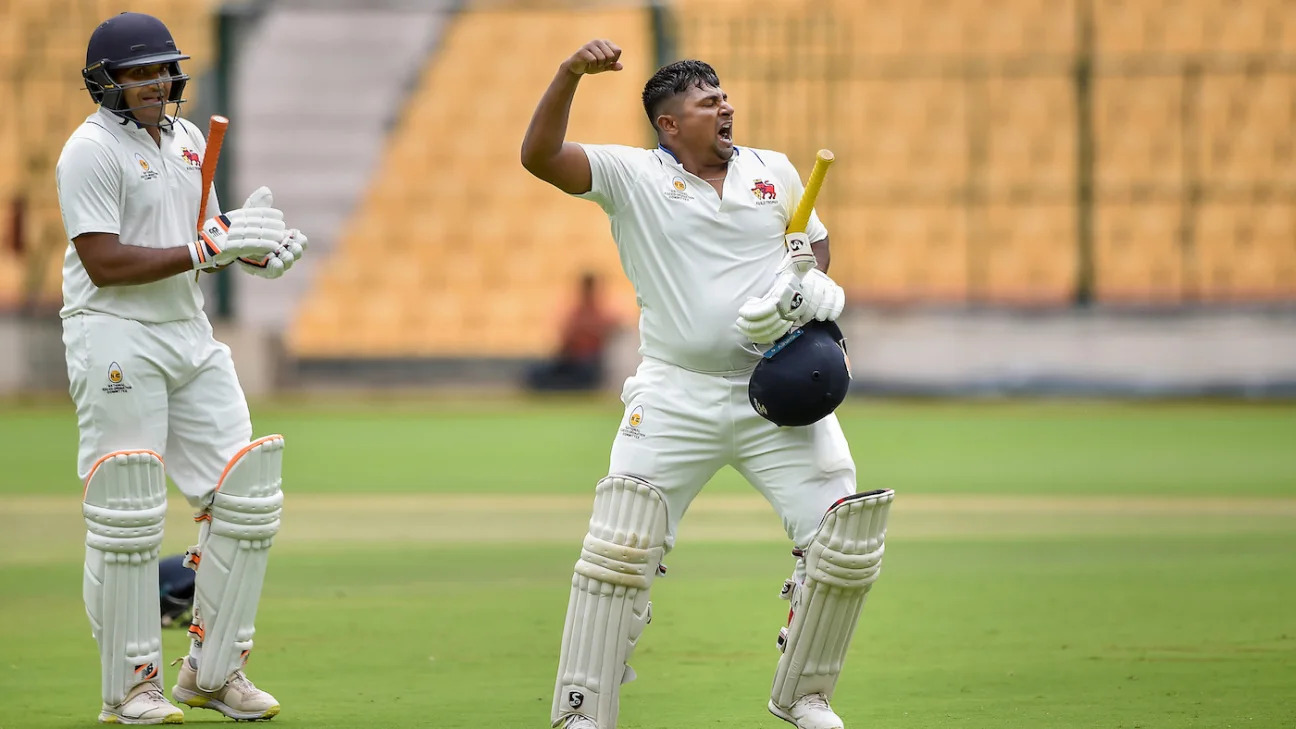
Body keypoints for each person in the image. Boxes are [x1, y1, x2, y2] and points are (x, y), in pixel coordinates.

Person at [521, 40, 894, 729]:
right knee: (620, 546)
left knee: (842, 540)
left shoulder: (774, 171)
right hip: (674, 394)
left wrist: (800, 283)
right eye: (706, 101)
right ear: (670, 124)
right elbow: (540, 158)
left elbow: (814, 247)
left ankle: (805, 694)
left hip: (774, 389)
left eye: (724, 95)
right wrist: (569, 71)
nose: (725, 106)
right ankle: (582, 710)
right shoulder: (631, 174)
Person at [57, 12, 306, 724]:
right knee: (128, 508)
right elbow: (104, 263)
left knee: (247, 496)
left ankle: (213, 669)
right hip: (114, 332)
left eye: (162, 69)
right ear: (104, 81)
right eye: (138, 73)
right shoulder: (88, 150)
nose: (154, 83)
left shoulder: (190, 137)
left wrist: (254, 252)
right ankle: (131, 687)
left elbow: (208, 236)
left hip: (187, 331)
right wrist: (205, 253)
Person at [526, 272, 617, 391]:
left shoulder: (603, 314)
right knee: (537, 372)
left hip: (590, 362)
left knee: (585, 374)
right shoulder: (575, 312)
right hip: (571, 360)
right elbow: (565, 340)